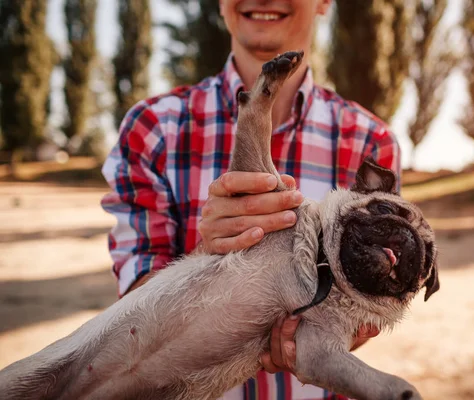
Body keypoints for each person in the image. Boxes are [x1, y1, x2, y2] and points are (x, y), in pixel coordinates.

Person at [100, 0, 402, 398]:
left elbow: (373, 306)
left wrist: (310, 339)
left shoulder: (371, 142)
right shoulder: (152, 129)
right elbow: (132, 318)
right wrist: (205, 257)